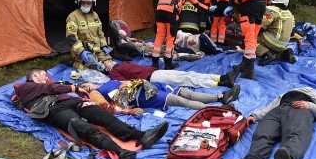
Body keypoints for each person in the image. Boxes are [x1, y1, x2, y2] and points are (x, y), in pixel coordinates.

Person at [13, 68, 169, 159]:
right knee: (84, 127)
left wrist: (83, 100)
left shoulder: (51, 87)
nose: (46, 77)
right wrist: (74, 87)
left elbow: (58, 91)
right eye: (43, 75)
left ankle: (142, 136)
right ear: (33, 76)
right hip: (54, 110)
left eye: (47, 75)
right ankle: (120, 152)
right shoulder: (26, 88)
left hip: (71, 102)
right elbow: (49, 87)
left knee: (102, 116)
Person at [218, 86, 316, 159]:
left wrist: (309, 105)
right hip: (278, 110)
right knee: (263, 131)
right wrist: (255, 115)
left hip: (301, 110)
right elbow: (270, 107)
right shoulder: (283, 95)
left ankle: (286, 158)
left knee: (296, 132)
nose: (302, 88)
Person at [87, 68, 241, 112]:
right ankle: (220, 110)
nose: (86, 86)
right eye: (83, 88)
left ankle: (220, 97)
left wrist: (125, 83)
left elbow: (125, 81)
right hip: (143, 96)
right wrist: (128, 109)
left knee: (186, 92)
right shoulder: (97, 93)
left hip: (147, 85)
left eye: (85, 84)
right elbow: (109, 107)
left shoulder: (110, 80)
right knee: (182, 102)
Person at [152, 0, 214, 69]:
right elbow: (195, 2)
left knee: (159, 37)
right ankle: (168, 63)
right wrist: (209, 9)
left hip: (159, 11)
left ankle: (155, 63)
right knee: (170, 38)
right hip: (170, 13)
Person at [228, 0, 270, 80]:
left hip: (248, 4)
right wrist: (266, 1)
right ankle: (244, 66)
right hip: (261, 4)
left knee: (249, 38)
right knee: (253, 36)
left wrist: (232, 4)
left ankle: (249, 71)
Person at [102, 59, 238, 89]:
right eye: (106, 62)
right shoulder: (114, 72)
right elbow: (123, 83)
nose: (109, 60)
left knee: (188, 74)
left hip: (156, 72)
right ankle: (221, 83)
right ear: (106, 68)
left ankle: (222, 77)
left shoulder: (121, 64)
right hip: (152, 78)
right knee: (187, 80)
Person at [66, 0, 112, 71]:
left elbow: (100, 33)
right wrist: (82, 51)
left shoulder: (95, 15)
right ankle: (73, 63)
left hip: (97, 50)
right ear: (79, 3)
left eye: (88, 3)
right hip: (83, 52)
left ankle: (101, 61)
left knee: (110, 65)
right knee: (96, 69)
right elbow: (71, 37)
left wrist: (104, 45)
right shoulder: (73, 16)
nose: (85, 5)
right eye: (83, 3)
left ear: (93, 4)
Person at [255, 0, 297, 66]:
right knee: (273, 51)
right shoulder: (289, 14)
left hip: (271, 40)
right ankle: (285, 53)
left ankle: (266, 54)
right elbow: (292, 32)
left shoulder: (271, 10)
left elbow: (262, 25)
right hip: (283, 45)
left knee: (249, 41)